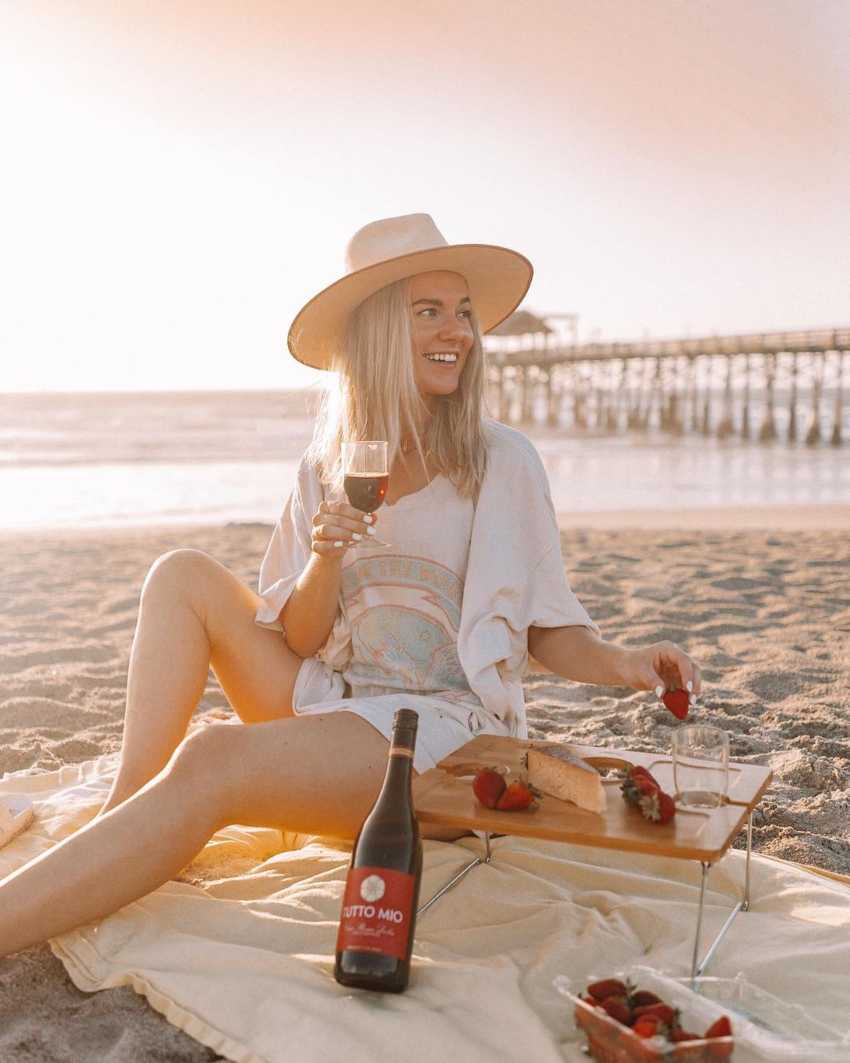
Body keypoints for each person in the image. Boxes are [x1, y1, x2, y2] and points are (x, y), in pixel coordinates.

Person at [0, 213, 701, 958]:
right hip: (336, 701)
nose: (457, 330)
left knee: (211, 758)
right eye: (427, 311)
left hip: (444, 731)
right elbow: (301, 639)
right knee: (180, 575)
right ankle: (126, 815)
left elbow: (544, 629)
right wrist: (325, 557)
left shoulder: (503, 463)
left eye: (462, 311)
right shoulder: (329, 462)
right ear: (373, 333)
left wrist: (624, 663)